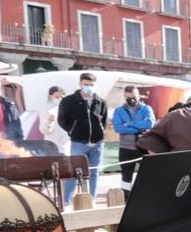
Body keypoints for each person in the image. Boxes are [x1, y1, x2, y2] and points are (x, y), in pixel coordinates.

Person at [58, 72, 108, 201]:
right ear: (80, 84)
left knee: (94, 173)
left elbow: (104, 120)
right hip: (78, 143)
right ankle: (67, 201)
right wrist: (73, 131)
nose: (89, 87)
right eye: (86, 84)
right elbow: (62, 120)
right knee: (75, 172)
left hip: (97, 143)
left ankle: (92, 200)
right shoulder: (68, 100)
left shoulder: (101, 101)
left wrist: (101, 133)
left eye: (92, 85)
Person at [111, 85, 154, 190]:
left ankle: (146, 196)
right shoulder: (118, 111)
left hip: (143, 147)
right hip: (126, 148)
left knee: (149, 174)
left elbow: (149, 124)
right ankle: (126, 197)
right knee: (126, 176)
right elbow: (118, 128)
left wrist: (129, 124)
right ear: (124, 97)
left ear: (139, 96)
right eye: (128, 97)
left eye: (134, 96)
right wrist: (138, 128)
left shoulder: (146, 109)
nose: (132, 99)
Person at [41, 85, 71, 156]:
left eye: (61, 97)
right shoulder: (45, 110)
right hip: (51, 147)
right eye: (56, 97)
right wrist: (49, 121)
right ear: (50, 96)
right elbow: (44, 131)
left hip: (65, 148)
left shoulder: (68, 109)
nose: (59, 99)